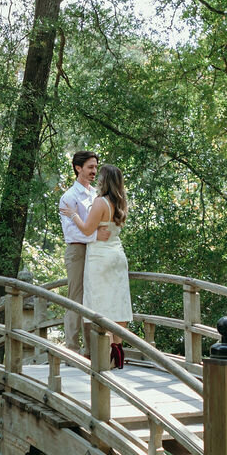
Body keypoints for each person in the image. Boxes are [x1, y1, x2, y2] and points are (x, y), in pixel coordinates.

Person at [60, 163, 132, 367]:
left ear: (105, 181)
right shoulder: (121, 202)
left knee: (101, 304)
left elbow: (86, 229)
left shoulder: (101, 202)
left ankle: (106, 352)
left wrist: (73, 214)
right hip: (118, 255)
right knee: (118, 302)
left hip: (100, 257)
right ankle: (118, 348)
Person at [58, 150, 99, 351]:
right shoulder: (69, 197)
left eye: (96, 167)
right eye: (90, 167)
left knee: (92, 298)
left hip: (96, 252)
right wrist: (96, 235)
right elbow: (72, 232)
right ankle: (72, 349)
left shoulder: (96, 194)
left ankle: (91, 350)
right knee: (76, 298)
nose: (94, 171)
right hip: (77, 250)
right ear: (78, 168)